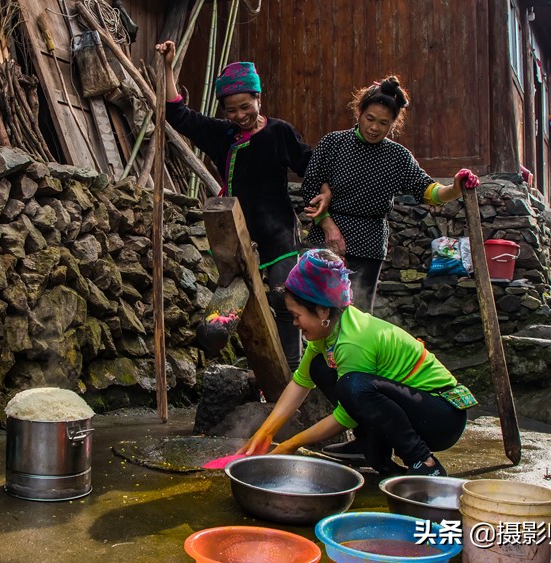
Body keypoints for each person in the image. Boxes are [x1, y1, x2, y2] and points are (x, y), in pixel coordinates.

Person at [238, 250, 476, 476]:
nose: (294, 324)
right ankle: (368, 446)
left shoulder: (353, 342)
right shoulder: (328, 332)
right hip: (413, 407)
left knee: (353, 386)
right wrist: (264, 433)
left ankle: (424, 461)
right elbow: (300, 383)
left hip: (441, 417)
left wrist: (291, 444)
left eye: (297, 316)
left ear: (322, 312)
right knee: (319, 367)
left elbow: (347, 413)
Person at [156, 40, 313, 370]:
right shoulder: (222, 135)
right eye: (231, 110)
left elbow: (310, 167)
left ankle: (293, 375)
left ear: (259, 98)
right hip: (237, 238)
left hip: (279, 233)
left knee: (286, 301)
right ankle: (262, 375)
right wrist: (169, 67)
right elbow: (177, 114)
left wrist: (324, 202)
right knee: (235, 313)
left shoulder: (280, 132)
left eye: (246, 106)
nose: (240, 115)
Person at [301, 76, 480, 314]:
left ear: (394, 124)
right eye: (370, 119)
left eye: (384, 123)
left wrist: (455, 188)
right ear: (359, 112)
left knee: (357, 315)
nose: (374, 128)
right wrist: (327, 226)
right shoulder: (334, 143)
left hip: (369, 242)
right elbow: (310, 187)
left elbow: (427, 191)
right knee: (317, 311)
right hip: (326, 238)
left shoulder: (398, 157)